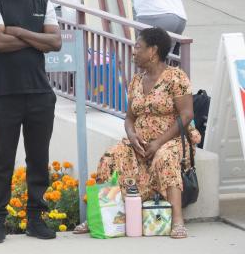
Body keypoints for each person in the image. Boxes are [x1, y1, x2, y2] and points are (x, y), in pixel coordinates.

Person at [73, 27, 199, 239]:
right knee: (111, 157)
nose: (133, 52)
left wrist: (158, 142)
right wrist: (132, 135)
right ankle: (103, 215)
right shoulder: (136, 81)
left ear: (153, 51)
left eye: (138, 47)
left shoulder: (176, 78)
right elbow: (130, 117)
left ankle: (177, 220)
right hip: (139, 142)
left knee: (165, 158)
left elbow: (186, 115)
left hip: (170, 139)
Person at [0, 0, 62, 243]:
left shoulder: (43, 3)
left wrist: (18, 31)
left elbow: (55, 42)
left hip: (40, 94)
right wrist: (34, 37)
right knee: (2, 160)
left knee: (38, 159)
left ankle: (35, 218)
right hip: (5, 94)